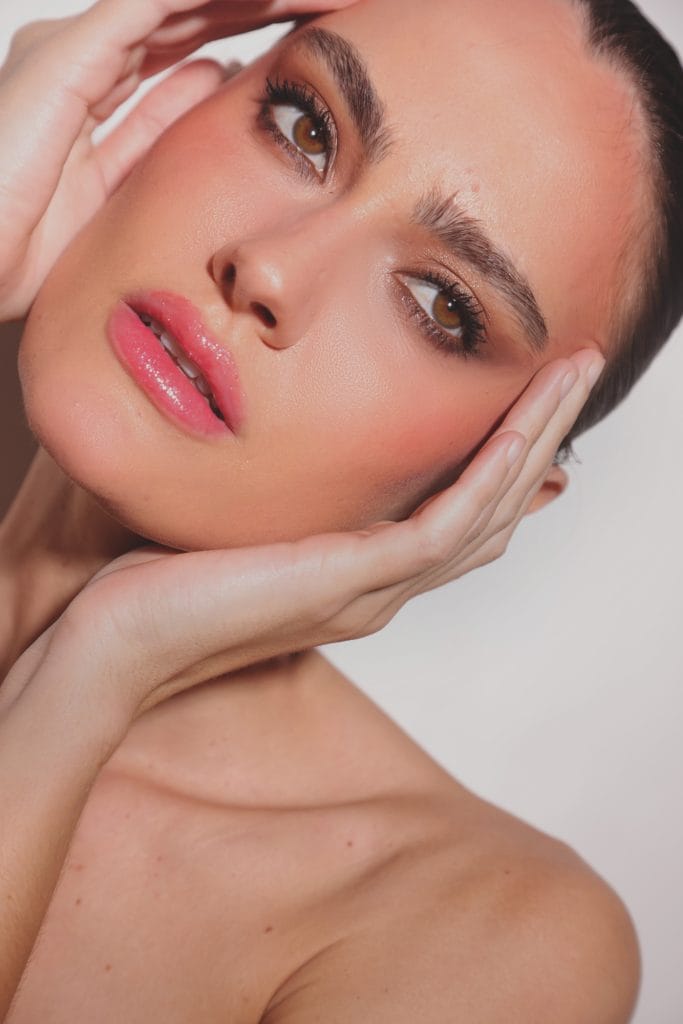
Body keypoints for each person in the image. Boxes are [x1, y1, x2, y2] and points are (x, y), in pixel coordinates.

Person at [0, 0, 680, 1018]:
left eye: (442, 306)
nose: (269, 267)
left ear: (486, 488)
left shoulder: (475, 937)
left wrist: (90, 672)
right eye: (305, 127)